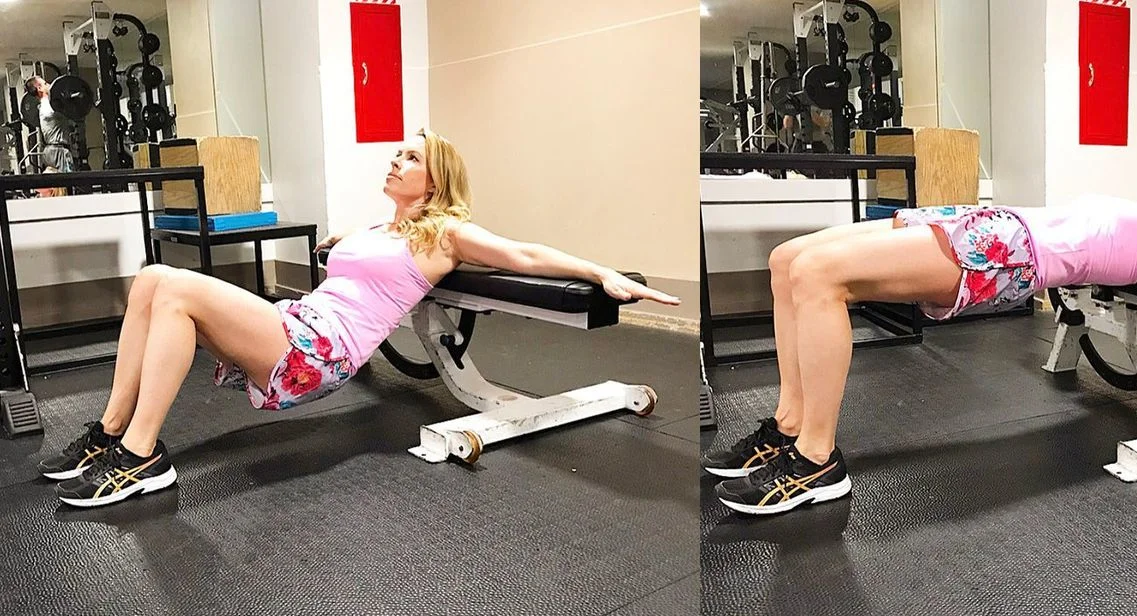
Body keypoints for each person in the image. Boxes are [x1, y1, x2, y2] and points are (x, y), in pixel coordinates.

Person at [40, 128, 681, 508]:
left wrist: (602, 272)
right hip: (297, 323)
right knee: (152, 279)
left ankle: (142, 458)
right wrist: (350, 242)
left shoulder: (445, 233)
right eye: (396, 154)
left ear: (435, 182)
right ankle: (111, 431)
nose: (395, 161)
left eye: (410, 158)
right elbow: (365, 264)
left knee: (175, 288)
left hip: (321, 352)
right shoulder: (377, 227)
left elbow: (525, 254)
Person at [704, 192, 1137, 516]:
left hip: (1006, 252)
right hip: (983, 221)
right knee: (788, 258)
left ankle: (816, 460)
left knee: (820, 276)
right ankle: (787, 426)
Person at [24, 76, 75, 175]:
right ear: (39, 88)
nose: (49, 84)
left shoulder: (42, 106)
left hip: (49, 151)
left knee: (56, 182)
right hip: (58, 151)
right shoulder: (49, 106)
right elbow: (69, 111)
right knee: (68, 181)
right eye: (45, 83)